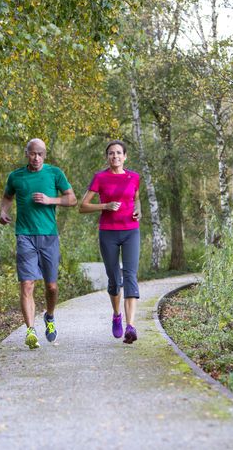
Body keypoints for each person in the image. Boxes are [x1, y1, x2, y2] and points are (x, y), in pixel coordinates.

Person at [0, 138, 77, 349]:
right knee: (27, 284)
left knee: (51, 286)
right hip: (24, 235)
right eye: (33, 153)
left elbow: (72, 199)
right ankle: (30, 330)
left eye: (40, 154)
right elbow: (7, 197)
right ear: (26, 153)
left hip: (49, 236)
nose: (36, 158)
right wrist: (3, 211)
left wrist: (50, 200)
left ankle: (49, 317)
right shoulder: (16, 176)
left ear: (45, 155)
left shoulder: (55, 174)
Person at [79, 140, 142, 344]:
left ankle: (130, 326)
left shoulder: (134, 177)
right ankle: (117, 315)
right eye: (111, 154)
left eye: (118, 153)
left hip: (131, 231)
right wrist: (105, 206)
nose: (115, 156)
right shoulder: (100, 177)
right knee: (115, 279)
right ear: (107, 157)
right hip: (108, 233)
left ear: (125, 157)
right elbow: (83, 206)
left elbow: (136, 198)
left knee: (130, 275)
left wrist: (138, 209)